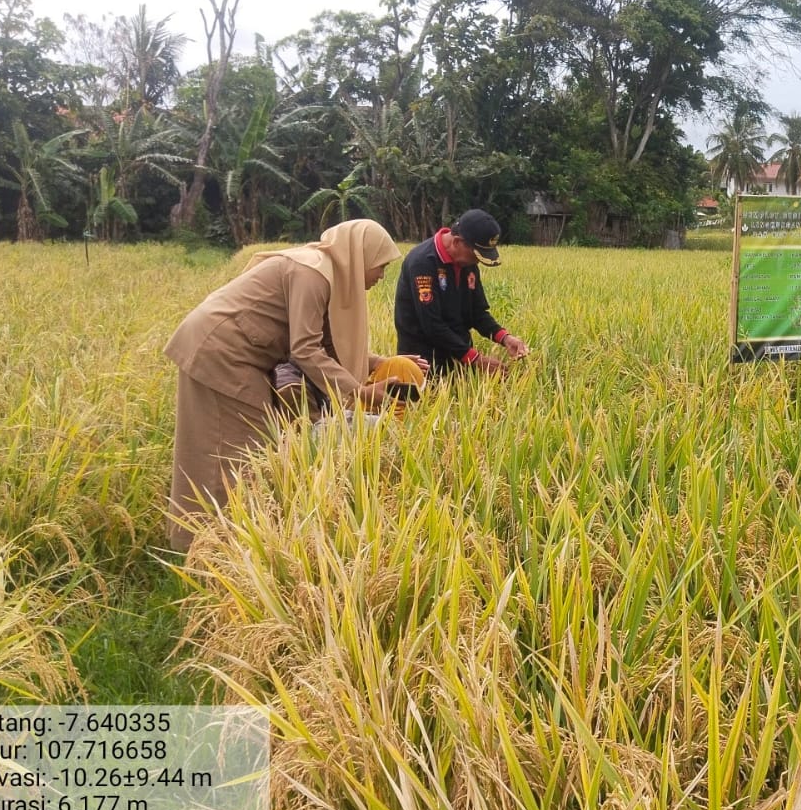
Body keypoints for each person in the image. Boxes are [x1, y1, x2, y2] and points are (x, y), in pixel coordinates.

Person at [164, 219, 426, 553]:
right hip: (225, 352)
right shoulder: (313, 273)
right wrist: (359, 392)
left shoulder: (327, 274)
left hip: (233, 352)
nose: (381, 276)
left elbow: (325, 341)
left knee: (238, 448)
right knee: (242, 449)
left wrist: (376, 364)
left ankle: (219, 543)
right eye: (381, 265)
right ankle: (212, 548)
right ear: (361, 255)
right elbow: (305, 349)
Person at [394, 209, 529, 375]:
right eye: (476, 256)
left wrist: (505, 338)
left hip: (459, 355)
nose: (477, 262)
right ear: (457, 242)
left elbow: (476, 313)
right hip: (423, 361)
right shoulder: (422, 263)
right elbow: (431, 324)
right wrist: (476, 359)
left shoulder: (467, 263)